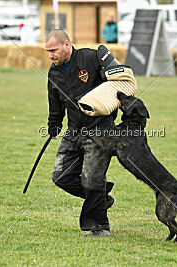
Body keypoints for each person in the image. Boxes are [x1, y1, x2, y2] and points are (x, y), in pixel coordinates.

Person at [44, 29, 116, 238]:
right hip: (74, 131)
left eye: (53, 50)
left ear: (67, 44)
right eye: (47, 52)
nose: (50, 56)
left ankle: (99, 226)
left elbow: (116, 85)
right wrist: (53, 124)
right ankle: (101, 198)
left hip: (100, 130)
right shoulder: (53, 72)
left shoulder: (90, 58)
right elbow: (55, 102)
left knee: (91, 178)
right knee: (61, 176)